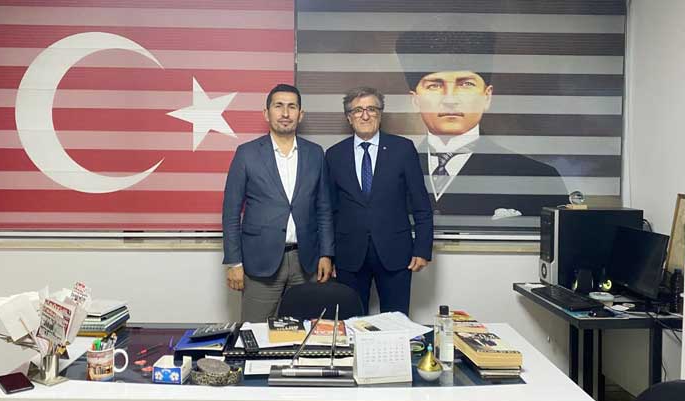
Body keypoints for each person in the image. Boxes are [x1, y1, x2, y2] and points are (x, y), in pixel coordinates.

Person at [395, 32, 568, 218]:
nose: (450, 99)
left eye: (465, 84)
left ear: (487, 97)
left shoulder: (536, 177)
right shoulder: (390, 173)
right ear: (415, 100)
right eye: (434, 86)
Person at [222, 84, 334, 322]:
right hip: (260, 262)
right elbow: (231, 212)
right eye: (279, 106)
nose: (285, 113)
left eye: (292, 107)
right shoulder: (246, 153)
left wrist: (326, 254)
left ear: (300, 114)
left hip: (306, 262)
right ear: (266, 113)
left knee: (306, 331)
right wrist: (234, 261)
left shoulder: (316, 154)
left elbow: (323, 209)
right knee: (255, 332)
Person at [325, 86, 433, 315]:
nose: (365, 115)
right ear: (349, 117)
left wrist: (423, 249)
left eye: (372, 109)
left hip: (396, 254)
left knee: (396, 323)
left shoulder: (403, 149)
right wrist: (328, 254)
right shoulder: (334, 155)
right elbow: (329, 210)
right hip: (349, 256)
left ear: (380, 114)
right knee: (351, 323)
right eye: (358, 110)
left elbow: (421, 204)